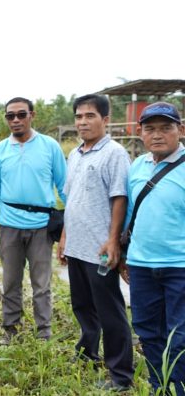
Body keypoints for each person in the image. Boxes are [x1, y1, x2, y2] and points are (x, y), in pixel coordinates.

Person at [56, 94, 134, 391]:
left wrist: (113, 241)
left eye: (90, 116)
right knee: (82, 305)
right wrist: (64, 236)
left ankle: (121, 375)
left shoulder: (114, 153)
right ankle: (88, 353)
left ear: (105, 119)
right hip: (76, 245)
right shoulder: (75, 153)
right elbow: (71, 199)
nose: (83, 122)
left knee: (110, 311)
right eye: (78, 116)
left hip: (100, 249)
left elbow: (119, 199)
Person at [0, 97, 66, 345]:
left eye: (21, 114)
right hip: (9, 226)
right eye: (10, 116)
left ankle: (44, 332)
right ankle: (10, 329)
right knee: (10, 282)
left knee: (42, 284)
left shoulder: (49, 147)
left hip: (41, 226)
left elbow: (64, 187)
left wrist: (71, 225)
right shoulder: (0, 151)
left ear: (32, 115)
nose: (16, 120)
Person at [125, 102, 185, 394]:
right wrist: (123, 253)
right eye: (150, 129)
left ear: (181, 130)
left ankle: (179, 388)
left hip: (180, 267)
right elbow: (129, 216)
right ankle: (158, 386)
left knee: (180, 336)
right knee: (148, 331)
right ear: (141, 133)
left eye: (166, 128)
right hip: (141, 266)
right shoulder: (137, 166)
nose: (157, 135)